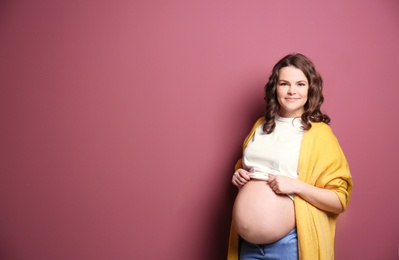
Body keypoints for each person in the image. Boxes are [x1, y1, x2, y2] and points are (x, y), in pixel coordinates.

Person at [227, 53, 353, 260]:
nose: (292, 91)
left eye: (300, 84)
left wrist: (296, 186)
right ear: (274, 88)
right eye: (284, 83)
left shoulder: (318, 133)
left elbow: (339, 200)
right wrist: (239, 176)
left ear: (310, 89)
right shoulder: (261, 125)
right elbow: (251, 170)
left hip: (290, 245)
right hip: (247, 246)